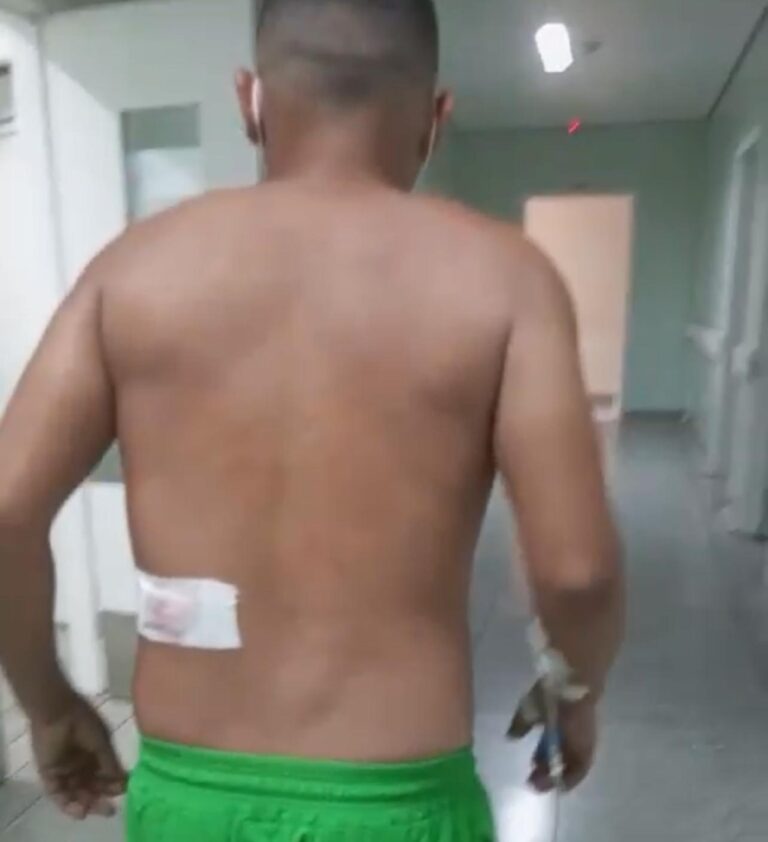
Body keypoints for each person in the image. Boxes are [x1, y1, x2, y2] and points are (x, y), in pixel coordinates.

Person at [0, 0, 624, 839]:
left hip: (192, 796)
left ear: (247, 99)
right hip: (397, 802)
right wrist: (573, 693)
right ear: (436, 117)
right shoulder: (506, 278)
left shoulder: (130, 271)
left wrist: (48, 702)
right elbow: (578, 572)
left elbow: (4, 509)